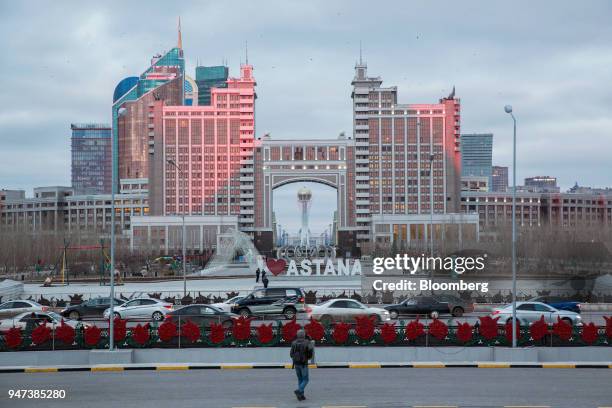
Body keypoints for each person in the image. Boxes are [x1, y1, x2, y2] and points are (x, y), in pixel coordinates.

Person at [290, 329, 314, 401]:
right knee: (306, 379)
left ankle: (301, 396)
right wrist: (307, 358)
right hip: (304, 364)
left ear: (297, 335)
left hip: (296, 364)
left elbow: (291, 354)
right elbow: (310, 353)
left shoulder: (293, 343)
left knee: (300, 379)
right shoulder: (307, 342)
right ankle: (299, 390)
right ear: (304, 335)